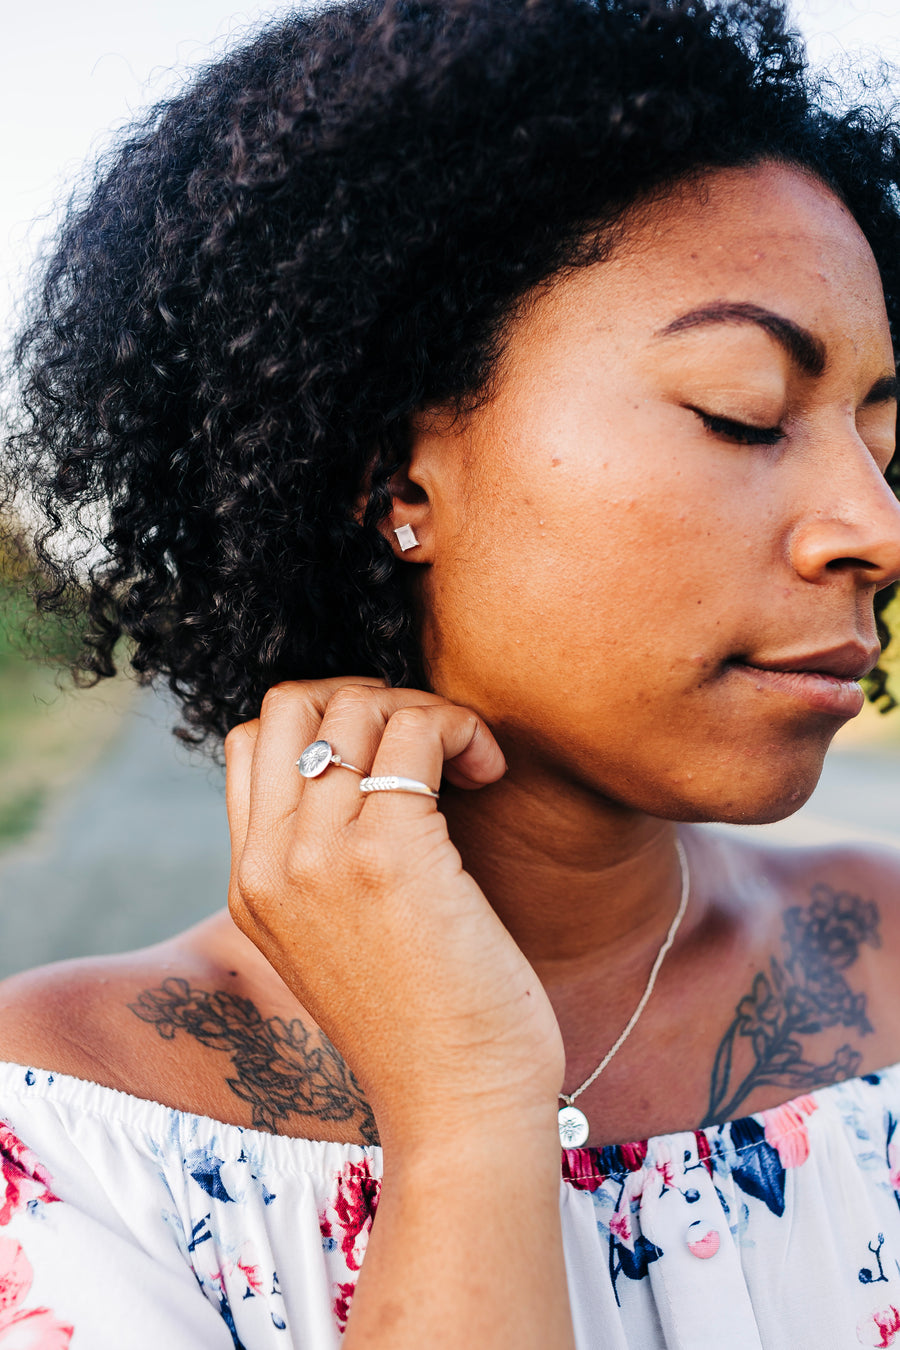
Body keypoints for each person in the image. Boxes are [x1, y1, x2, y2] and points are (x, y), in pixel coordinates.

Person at [1, 0, 900, 1343]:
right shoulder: (71, 1139)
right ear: (390, 475)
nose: (876, 528)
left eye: (886, 441)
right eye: (744, 412)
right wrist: (469, 1117)